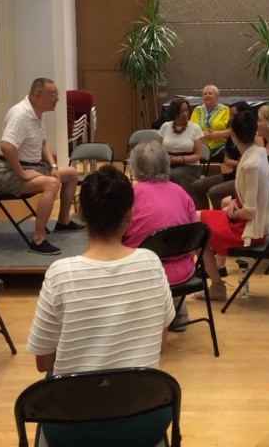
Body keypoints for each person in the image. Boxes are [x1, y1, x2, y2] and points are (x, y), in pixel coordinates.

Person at [26, 165, 176, 446]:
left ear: (81, 213)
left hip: (73, 427)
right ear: (130, 215)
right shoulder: (151, 263)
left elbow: (44, 362)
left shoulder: (60, 274)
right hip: (145, 420)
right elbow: (161, 344)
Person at [0, 77, 84, 256]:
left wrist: (54, 166)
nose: (57, 99)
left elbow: (43, 143)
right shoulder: (21, 114)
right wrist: (22, 173)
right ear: (37, 95)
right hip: (8, 173)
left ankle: (63, 222)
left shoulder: (37, 112)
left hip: (32, 168)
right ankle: (38, 239)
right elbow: (6, 146)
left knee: (71, 173)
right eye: (53, 95)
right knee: (52, 184)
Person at [196, 110, 269, 301]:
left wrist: (233, 213)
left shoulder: (250, 163)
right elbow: (248, 197)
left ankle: (216, 285)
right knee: (196, 217)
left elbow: (249, 212)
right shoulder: (257, 153)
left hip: (247, 230)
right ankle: (214, 276)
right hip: (247, 224)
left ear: (233, 135)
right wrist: (233, 202)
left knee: (195, 227)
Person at [124, 140, 198, 330]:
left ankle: (138, 313)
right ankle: (176, 308)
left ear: (136, 166)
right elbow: (195, 233)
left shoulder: (131, 194)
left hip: (144, 271)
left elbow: (120, 234)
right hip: (183, 270)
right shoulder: (181, 192)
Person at [191, 100, 250, 210]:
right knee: (197, 186)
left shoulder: (250, 136)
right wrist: (227, 159)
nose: (231, 118)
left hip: (244, 177)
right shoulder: (232, 134)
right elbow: (227, 152)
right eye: (230, 115)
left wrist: (237, 163)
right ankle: (204, 218)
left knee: (214, 192)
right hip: (232, 174)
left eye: (234, 114)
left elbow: (252, 161)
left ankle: (221, 223)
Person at [158, 97, 203, 196]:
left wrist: (179, 160)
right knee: (154, 174)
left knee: (173, 175)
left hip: (189, 166)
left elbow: (198, 155)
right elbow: (159, 150)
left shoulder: (195, 128)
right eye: (181, 111)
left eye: (186, 110)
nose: (185, 114)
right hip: (168, 163)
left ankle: (181, 202)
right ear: (174, 113)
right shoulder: (165, 126)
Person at [190, 84, 231, 159]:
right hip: (200, 146)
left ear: (217, 97)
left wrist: (218, 134)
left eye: (210, 93)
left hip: (221, 146)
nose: (207, 95)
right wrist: (201, 134)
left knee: (228, 154)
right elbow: (190, 129)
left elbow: (231, 130)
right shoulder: (197, 109)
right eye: (204, 94)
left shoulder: (226, 109)